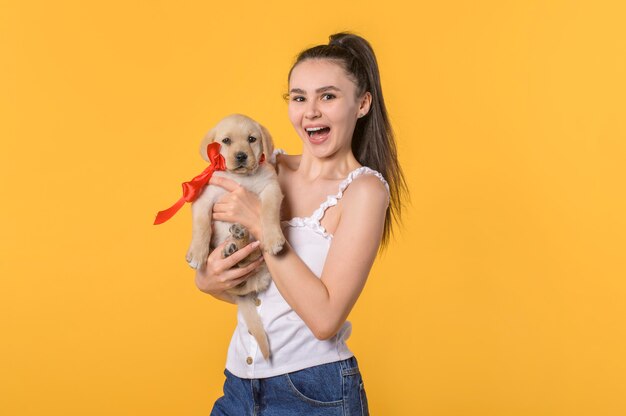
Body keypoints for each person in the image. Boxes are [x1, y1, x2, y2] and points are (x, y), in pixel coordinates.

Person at [195, 32, 407, 415]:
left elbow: (325, 319)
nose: (310, 111)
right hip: (239, 383)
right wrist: (208, 281)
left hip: (314, 392)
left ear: (362, 104)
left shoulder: (363, 191)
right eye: (299, 97)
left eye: (328, 96)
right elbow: (252, 290)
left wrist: (260, 225)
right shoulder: (265, 167)